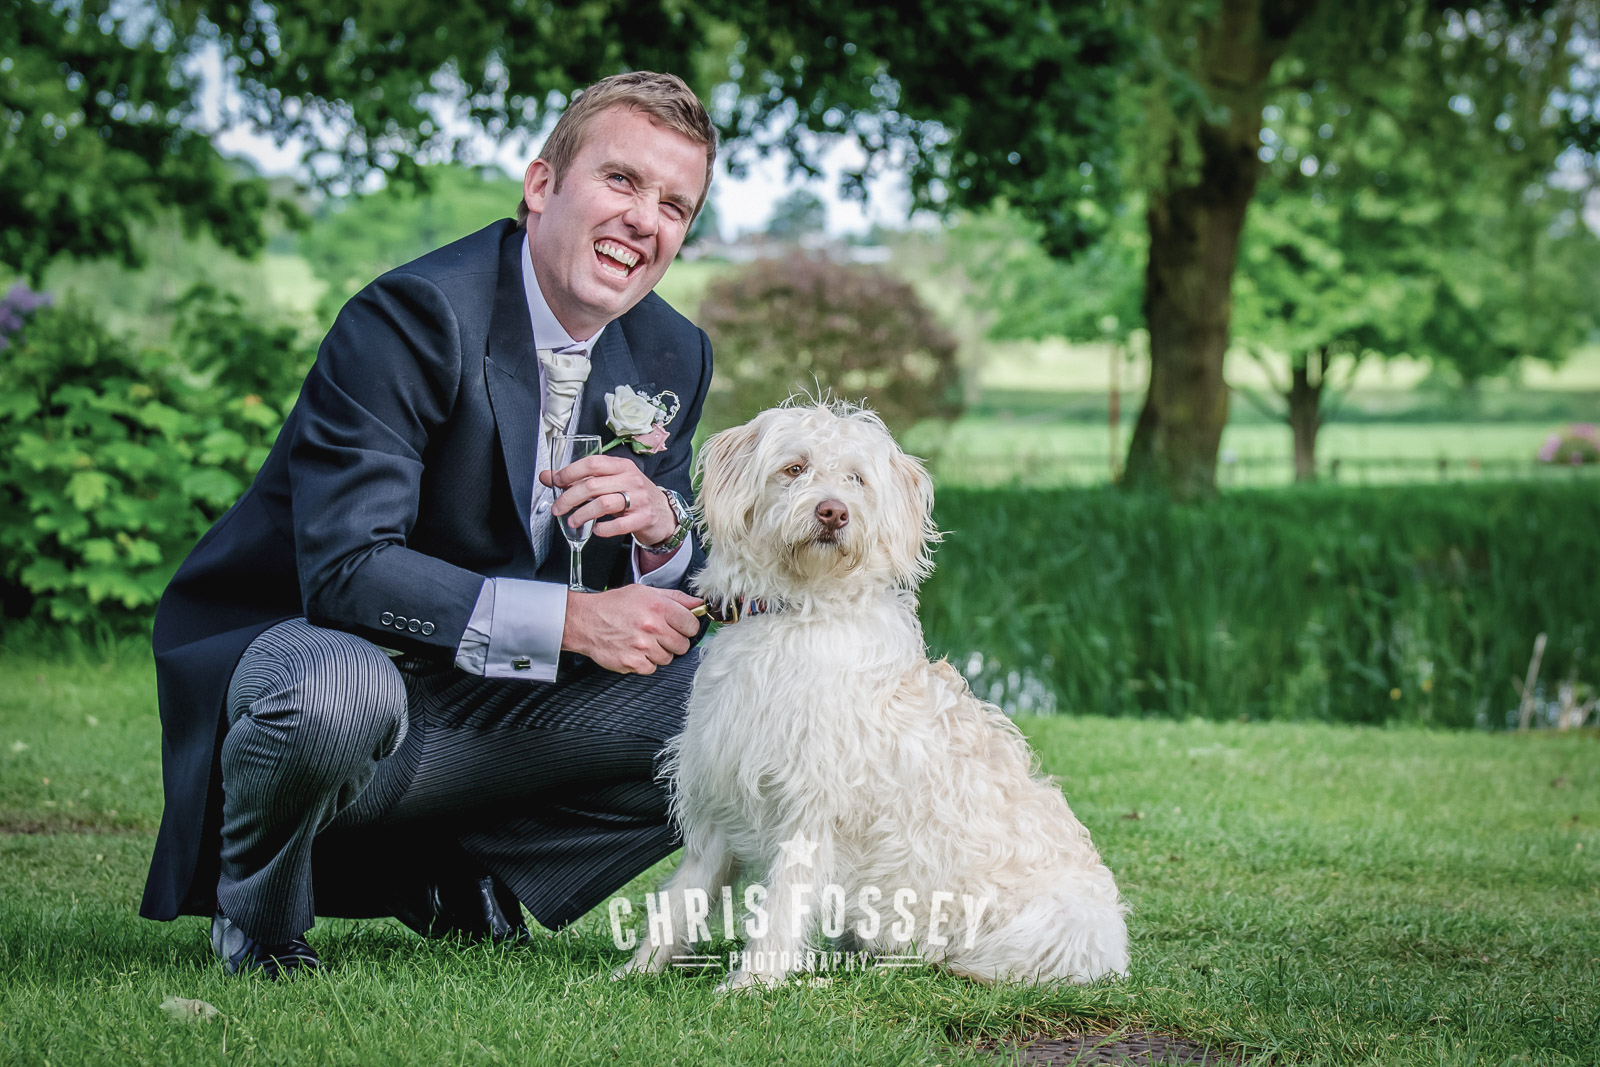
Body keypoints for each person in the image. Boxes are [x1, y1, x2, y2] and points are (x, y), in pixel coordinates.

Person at [139, 71, 718, 977]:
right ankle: (261, 923)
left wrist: (662, 536)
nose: (647, 219)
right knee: (339, 691)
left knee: (735, 697)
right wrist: (571, 620)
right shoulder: (413, 316)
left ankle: (454, 875)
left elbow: (661, 586)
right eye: (622, 181)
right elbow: (347, 571)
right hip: (324, 655)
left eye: (676, 205)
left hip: (492, 697)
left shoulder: (674, 349)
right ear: (541, 186)